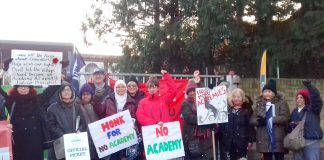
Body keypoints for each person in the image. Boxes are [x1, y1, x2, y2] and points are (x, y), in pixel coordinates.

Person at [0, 84, 59, 160]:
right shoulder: (11, 101)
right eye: (20, 86)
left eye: (26, 86)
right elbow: (1, 92)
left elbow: (49, 91)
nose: (23, 88)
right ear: (16, 88)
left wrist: (58, 79)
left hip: (35, 143)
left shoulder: (37, 99)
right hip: (18, 143)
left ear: (30, 88)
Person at [93, 80, 137, 160]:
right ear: (115, 88)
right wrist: (97, 98)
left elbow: (134, 117)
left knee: (123, 156)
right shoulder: (108, 99)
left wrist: (134, 125)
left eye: (123, 86)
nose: (120, 89)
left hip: (125, 135)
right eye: (118, 87)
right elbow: (99, 111)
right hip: (112, 135)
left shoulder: (132, 102)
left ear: (126, 88)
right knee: (113, 156)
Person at [250, 79, 290, 160]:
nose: (267, 93)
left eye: (269, 91)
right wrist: (258, 122)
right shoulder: (259, 104)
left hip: (278, 138)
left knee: (279, 158)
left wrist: (270, 120)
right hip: (264, 139)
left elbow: (285, 117)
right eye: (265, 91)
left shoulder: (281, 103)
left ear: (274, 93)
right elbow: (252, 120)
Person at [47, 82, 87, 159]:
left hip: (74, 145)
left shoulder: (77, 107)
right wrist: (63, 135)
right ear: (60, 93)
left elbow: (83, 123)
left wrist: (80, 130)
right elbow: (51, 125)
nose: (67, 92)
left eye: (69, 90)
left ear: (72, 92)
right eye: (64, 90)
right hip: (60, 144)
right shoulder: (52, 109)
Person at [181, 71, 214, 160]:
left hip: (204, 136)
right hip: (192, 136)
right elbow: (189, 118)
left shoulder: (203, 101)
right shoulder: (185, 103)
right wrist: (203, 118)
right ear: (187, 93)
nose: (192, 93)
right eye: (190, 91)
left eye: (194, 90)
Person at [288, 81, 323, 160]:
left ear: (306, 99)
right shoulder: (294, 112)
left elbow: (317, 100)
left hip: (311, 141)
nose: (298, 99)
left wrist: (310, 87)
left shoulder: (313, 110)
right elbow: (288, 126)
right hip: (298, 142)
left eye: (301, 98)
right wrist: (291, 126)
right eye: (297, 98)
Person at [219, 88, 254, 160]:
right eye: (234, 97)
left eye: (238, 97)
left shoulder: (246, 111)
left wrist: (250, 140)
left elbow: (250, 128)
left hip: (242, 141)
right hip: (230, 142)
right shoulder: (227, 111)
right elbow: (223, 126)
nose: (236, 99)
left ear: (242, 98)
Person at [76, 83, 99, 160]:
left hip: (96, 138)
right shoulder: (76, 106)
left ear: (91, 95)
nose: (86, 96)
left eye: (88, 94)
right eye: (84, 94)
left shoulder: (95, 105)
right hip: (83, 139)